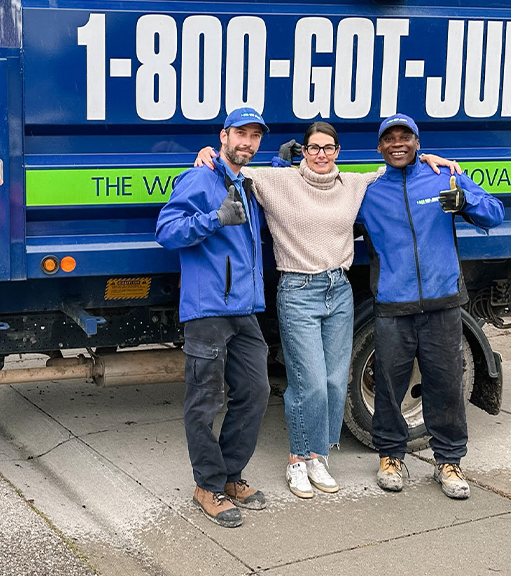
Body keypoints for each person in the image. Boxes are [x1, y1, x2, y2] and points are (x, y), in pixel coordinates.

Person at [193, 123, 459, 499]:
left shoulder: (353, 183)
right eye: (314, 148)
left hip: (339, 290)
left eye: (328, 147)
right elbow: (235, 166)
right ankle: (297, 459)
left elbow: (397, 165)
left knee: (335, 383)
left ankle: (318, 455)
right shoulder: (278, 181)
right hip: (298, 290)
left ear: (337, 151)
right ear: (303, 151)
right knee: (311, 383)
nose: (321, 154)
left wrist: (429, 157)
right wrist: (209, 153)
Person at [357, 113, 504, 500]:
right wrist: (282, 165)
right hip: (393, 306)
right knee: (389, 386)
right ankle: (391, 456)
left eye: (405, 137)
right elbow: (316, 196)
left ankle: (449, 461)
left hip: (443, 304)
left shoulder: (445, 177)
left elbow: (495, 212)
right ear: (380, 147)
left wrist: (466, 200)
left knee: (447, 384)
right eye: (390, 138)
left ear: (417, 143)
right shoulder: (369, 193)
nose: (398, 143)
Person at [156, 107, 271, 528]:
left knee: (256, 392)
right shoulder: (199, 178)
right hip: (208, 310)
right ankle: (207, 486)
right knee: (205, 400)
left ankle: (230, 475)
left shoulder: (247, 181)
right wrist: (215, 219)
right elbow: (167, 231)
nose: (247, 142)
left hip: (244, 309)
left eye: (255, 136)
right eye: (241, 133)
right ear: (224, 136)